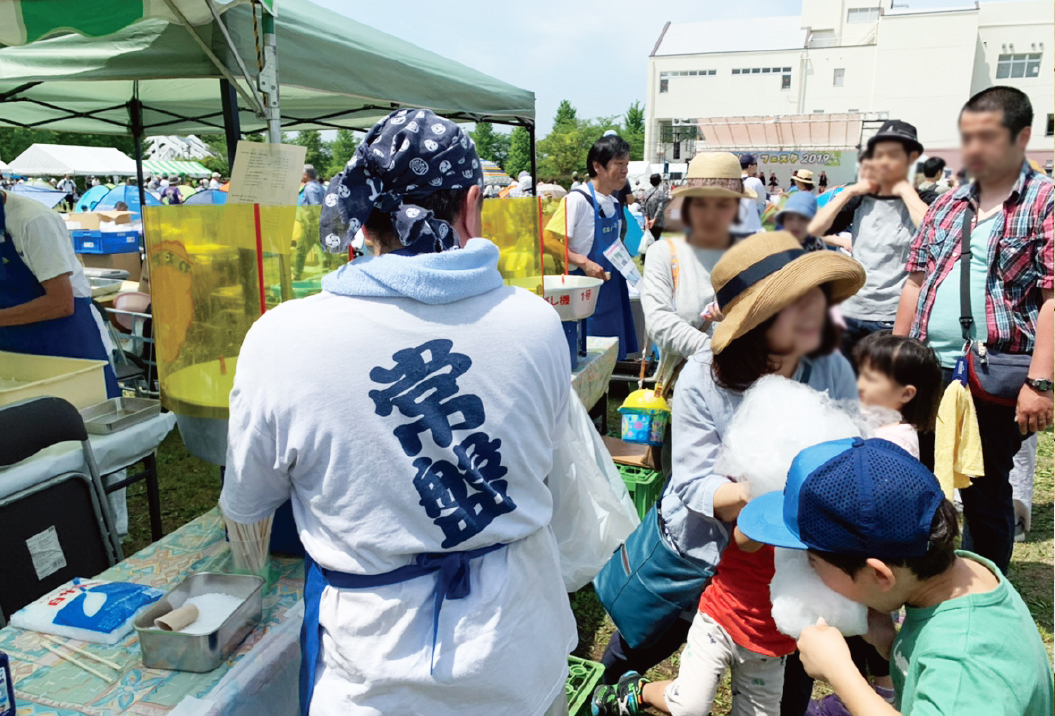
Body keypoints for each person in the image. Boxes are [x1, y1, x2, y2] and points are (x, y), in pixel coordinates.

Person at [220, 109, 575, 716]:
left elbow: (248, 508)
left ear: (365, 213)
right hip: (517, 662)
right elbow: (545, 472)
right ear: (471, 203)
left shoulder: (280, 338)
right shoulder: (536, 323)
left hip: (371, 679)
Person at [597, 231, 865, 686]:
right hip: (703, 549)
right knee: (643, 642)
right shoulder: (703, 376)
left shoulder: (830, 367)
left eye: (818, 299)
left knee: (789, 664)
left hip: (795, 555)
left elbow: (849, 453)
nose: (816, 314)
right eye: (798, 304)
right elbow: (692, 481)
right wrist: (761, 494)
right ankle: (608, 691)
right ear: (758, 321)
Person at [738, 438, 1055, 716]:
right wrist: (890, 645)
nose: (809, 573)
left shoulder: (966, 660)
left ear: (879, 573)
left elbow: (959, 679)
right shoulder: (967, 573)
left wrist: (842, 673)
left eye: (812, 561)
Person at [893, 86, 1053, 574]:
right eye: (968, 136)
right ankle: (921, 578)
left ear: (1021, 136)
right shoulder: (947, 204)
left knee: (983, 486)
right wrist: (891, 361)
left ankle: (985, 588)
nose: (975, 148)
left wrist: (1041, 383)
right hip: (925, 369)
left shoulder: (1043, 201)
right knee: (915, 475)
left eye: (988, 136)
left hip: (993, 373)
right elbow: (915, 283)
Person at [640, 152, 751, 472]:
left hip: (745, 392)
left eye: (724, 203)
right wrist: (715, 348)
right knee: (684, 489)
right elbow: (660, 322)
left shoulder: (753, 253)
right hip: (685, 395)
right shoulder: (666, 254)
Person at [809, 120, 937, 371]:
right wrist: (848, 193)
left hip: (891, 318)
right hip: (849, 311)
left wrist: (903, 188)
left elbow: (932, 231)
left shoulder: (923, 199)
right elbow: (816, 229)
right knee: (842, 392)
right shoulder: (859, 200)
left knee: (879, 394)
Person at [0, 189, 119, 398]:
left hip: (66, 341)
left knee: (83, 420)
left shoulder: (33, 220)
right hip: (15, 347)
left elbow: (61, 303)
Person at [545, 134, 638, 360]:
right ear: (597, 166)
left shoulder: (615, 203)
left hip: (613, 287)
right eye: (619, 164)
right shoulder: (576, 200)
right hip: (586, 292)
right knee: (589, 354)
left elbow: (614, 245)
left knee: (611, 352)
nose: (625, 171)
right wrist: (583, 262)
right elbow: (547, 240)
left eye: (626, 164)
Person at [294, 164, 332, 281]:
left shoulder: (309, 188)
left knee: (300, 251)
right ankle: (335, 269)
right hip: (319, 225)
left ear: (305, 175)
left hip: (311, 226)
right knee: (325, 250)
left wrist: (311, 223)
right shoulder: (320, 187)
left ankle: (297, 275)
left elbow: (314, 207)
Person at [641, 173, 669, 242]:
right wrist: (654, 219)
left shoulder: (646, 192)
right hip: (658, 222)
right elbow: (660, 208)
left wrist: (646, 219)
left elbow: (642, 206)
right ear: (660, 181)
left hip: (647, 222)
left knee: (648, 240)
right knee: (655, 240)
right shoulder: (661, 194)